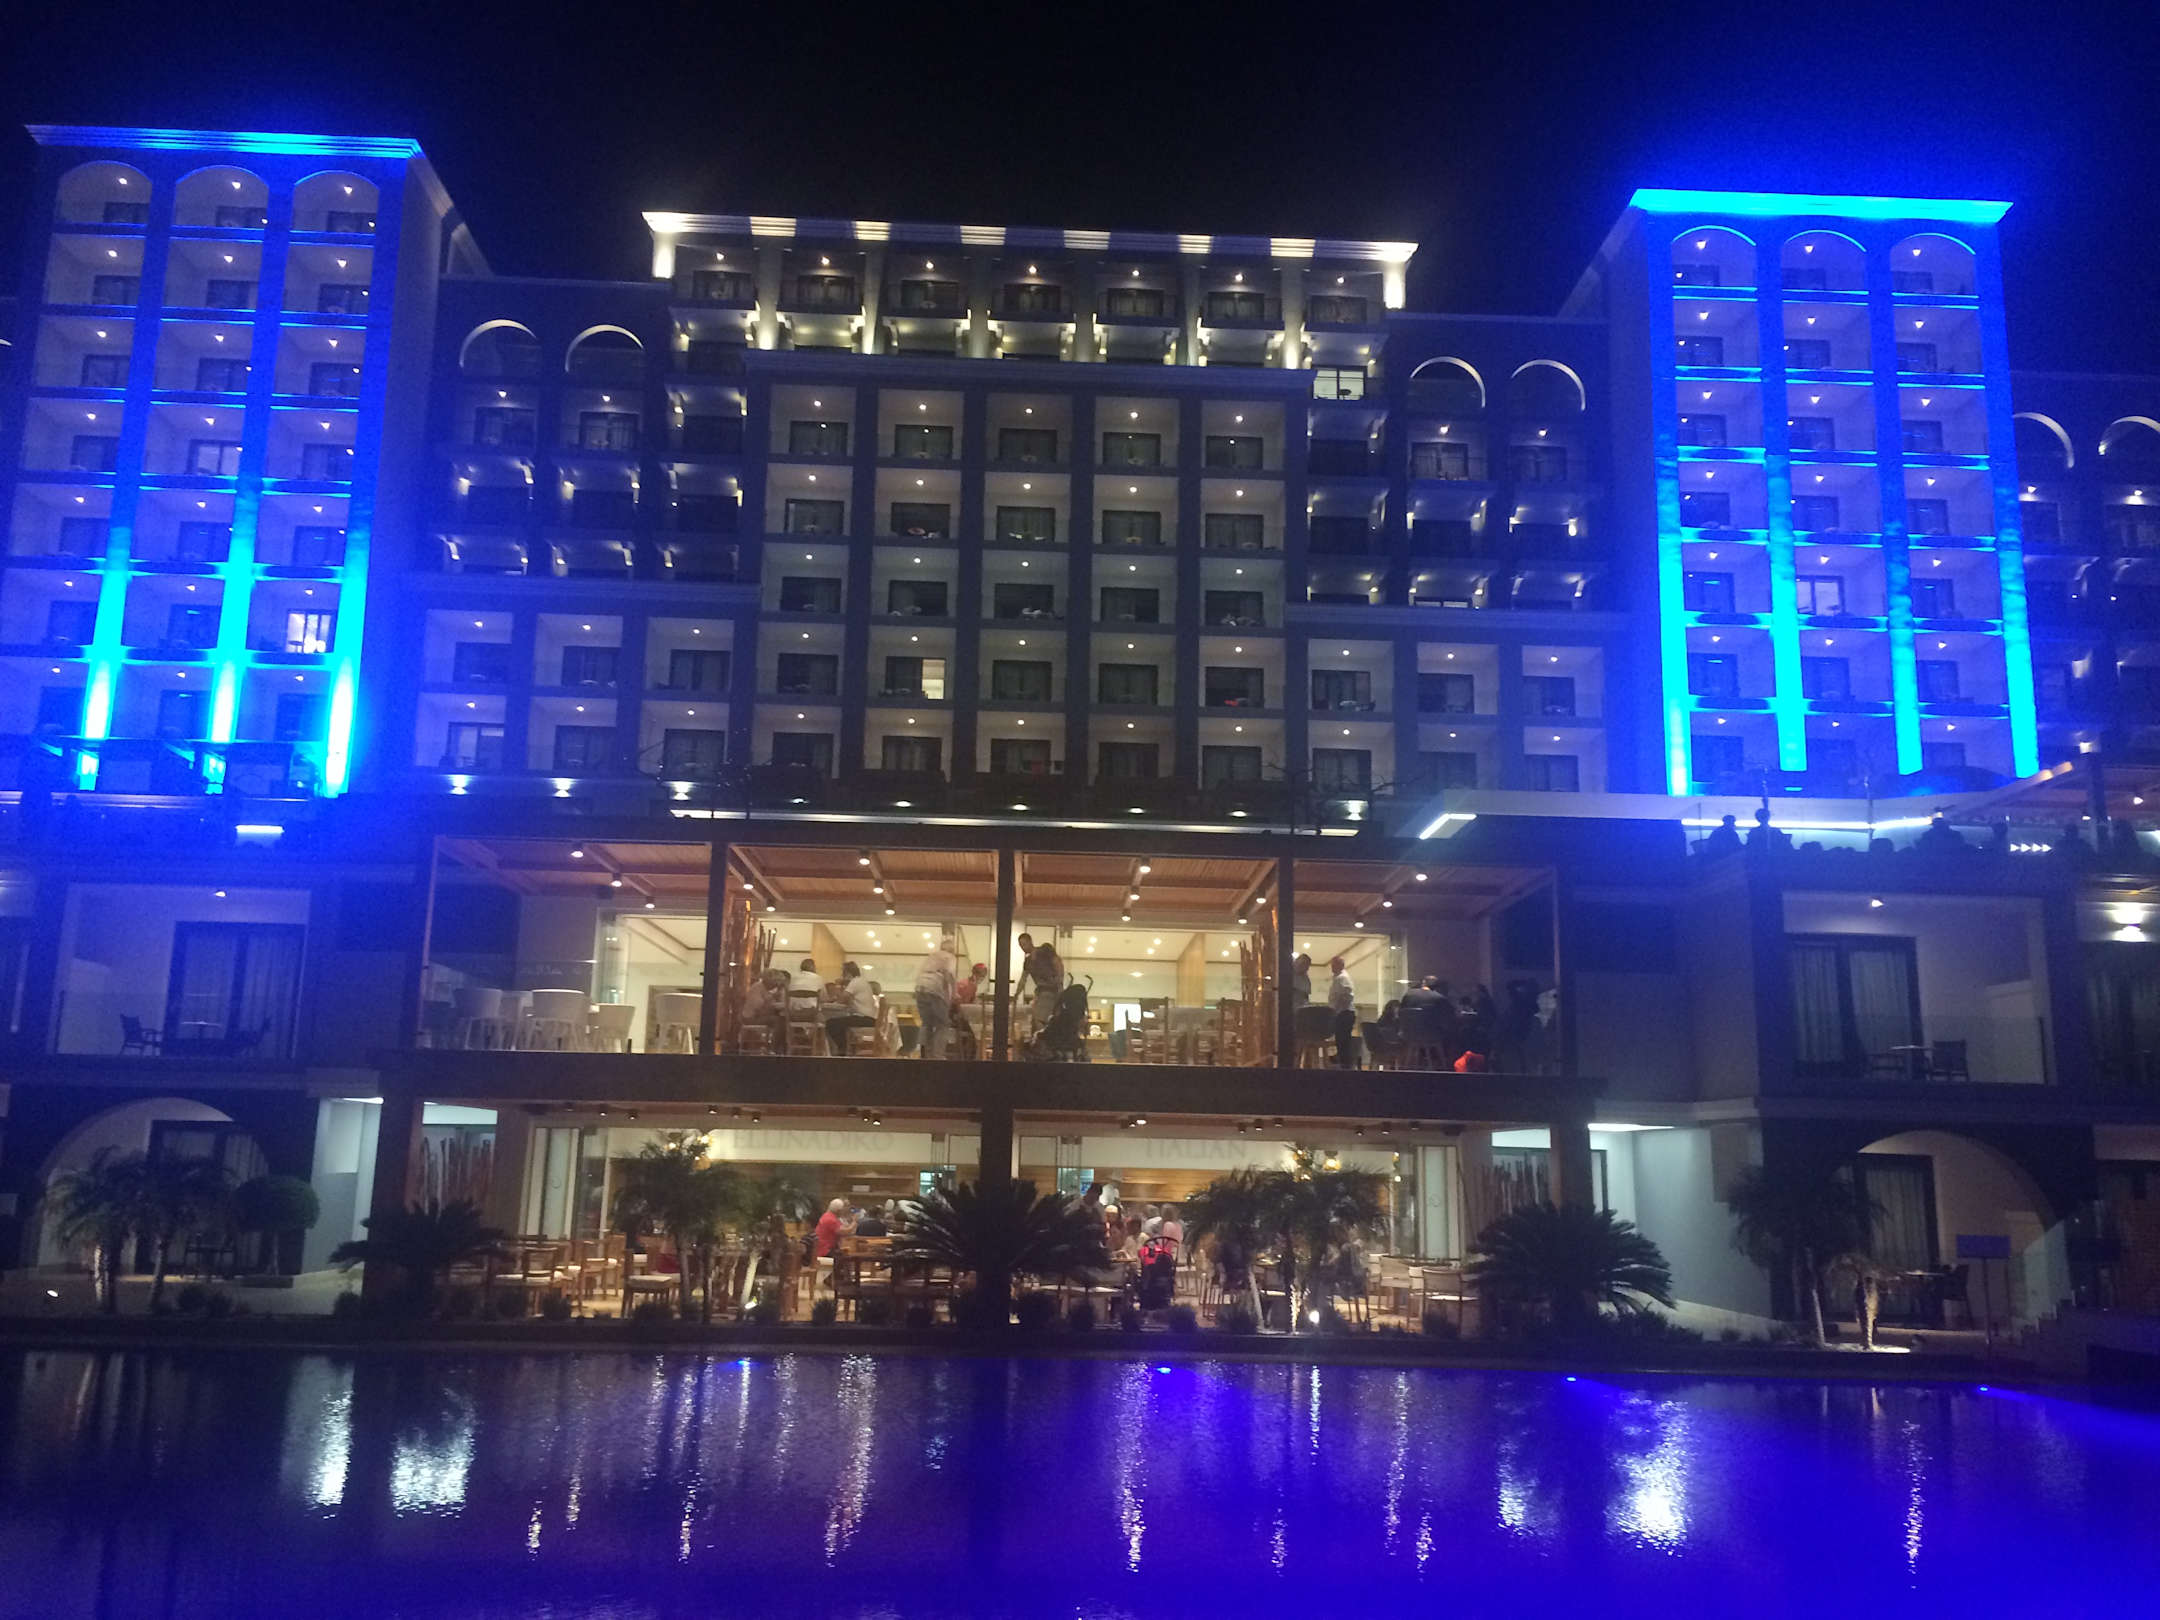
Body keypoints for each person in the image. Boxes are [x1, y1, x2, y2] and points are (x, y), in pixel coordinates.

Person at [913, 936, 959, 1060]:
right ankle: (938, 1055)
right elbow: (949, 974)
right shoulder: (949, 957)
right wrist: (954, 993)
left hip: (920, 987)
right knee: (943, 1023)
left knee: (927, 1023)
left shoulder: (932, 956)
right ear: (952, 950)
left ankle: (925, 1053)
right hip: (934, 988)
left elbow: (920, 972)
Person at [1015, 932, 1065, 1036]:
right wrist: (1016, 994)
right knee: (1038, 1018)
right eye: (1020, 946)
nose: (1023, 948)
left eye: (1024, 944)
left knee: (1041, 1018)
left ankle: (1044, 1038)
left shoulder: (1044, 952)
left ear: (1030, 942)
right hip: (1041, 991)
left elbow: (1057, 962)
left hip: (1050, 990)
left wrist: (1059, 981)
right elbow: (1023, 979)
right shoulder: (1028, 961)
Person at [825, 961, 879, 1054]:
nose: (841, 975)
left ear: (847, 973)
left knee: (831, 1023)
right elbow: (848, 999)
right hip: (868, 1017)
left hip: (864, 1017)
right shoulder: (861, 981)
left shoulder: (855, 982)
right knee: (839, 1023)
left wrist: (837, 985)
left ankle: (842, 1050)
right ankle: (845, 1048)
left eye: (843, 972)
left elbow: (841, 999)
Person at [1328, 955, 1358, 1068]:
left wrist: (1337, 1009)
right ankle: (1344, 1064)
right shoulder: (1338, 978)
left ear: (1341, 965)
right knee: (1341, 1041)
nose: (1332, 967)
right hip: (1342, 1013)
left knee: (1343, 1041)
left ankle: (1345, 1065)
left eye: (1334, 964)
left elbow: (1347, 995)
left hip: (1344, 1013)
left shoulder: (1342, 978)